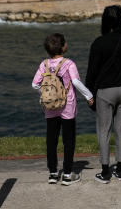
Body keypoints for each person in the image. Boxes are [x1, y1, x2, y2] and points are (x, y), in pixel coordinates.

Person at [31, 32, 93, 186]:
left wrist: (47, 93)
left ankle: (52, 173)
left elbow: (34, 84)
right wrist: (89, 96)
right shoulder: (68, 63)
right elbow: (76, 82)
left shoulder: (44, 64)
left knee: (51, 140)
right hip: (67, 106)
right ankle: (67, 174)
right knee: (68, 140)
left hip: (50, 107)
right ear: (63, 47)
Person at [85, 5, 121, 183]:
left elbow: (91, 72)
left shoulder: (99, 43)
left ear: (104, 21)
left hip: (105, 91)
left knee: (104, 130)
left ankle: (105, 171)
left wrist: (89, 96)